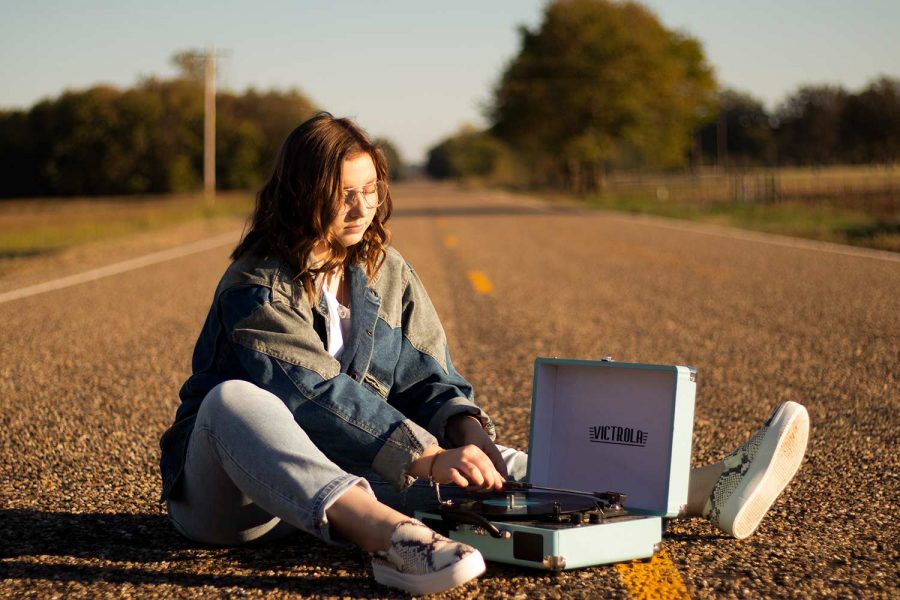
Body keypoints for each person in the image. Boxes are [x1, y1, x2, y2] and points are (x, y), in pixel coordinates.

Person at [158, 112, 809, 595]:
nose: (361, 207)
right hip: (232, 503)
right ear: (304, 192)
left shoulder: (385, 272)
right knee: (233, 401)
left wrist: (470, 441)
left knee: (476, 462)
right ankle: (395, 544)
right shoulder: (256, 282)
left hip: (347, 475)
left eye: (370, 189)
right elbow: (312, 393)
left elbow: (427, 377)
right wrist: (424, 455)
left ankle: (697, 491)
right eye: (342, 192)